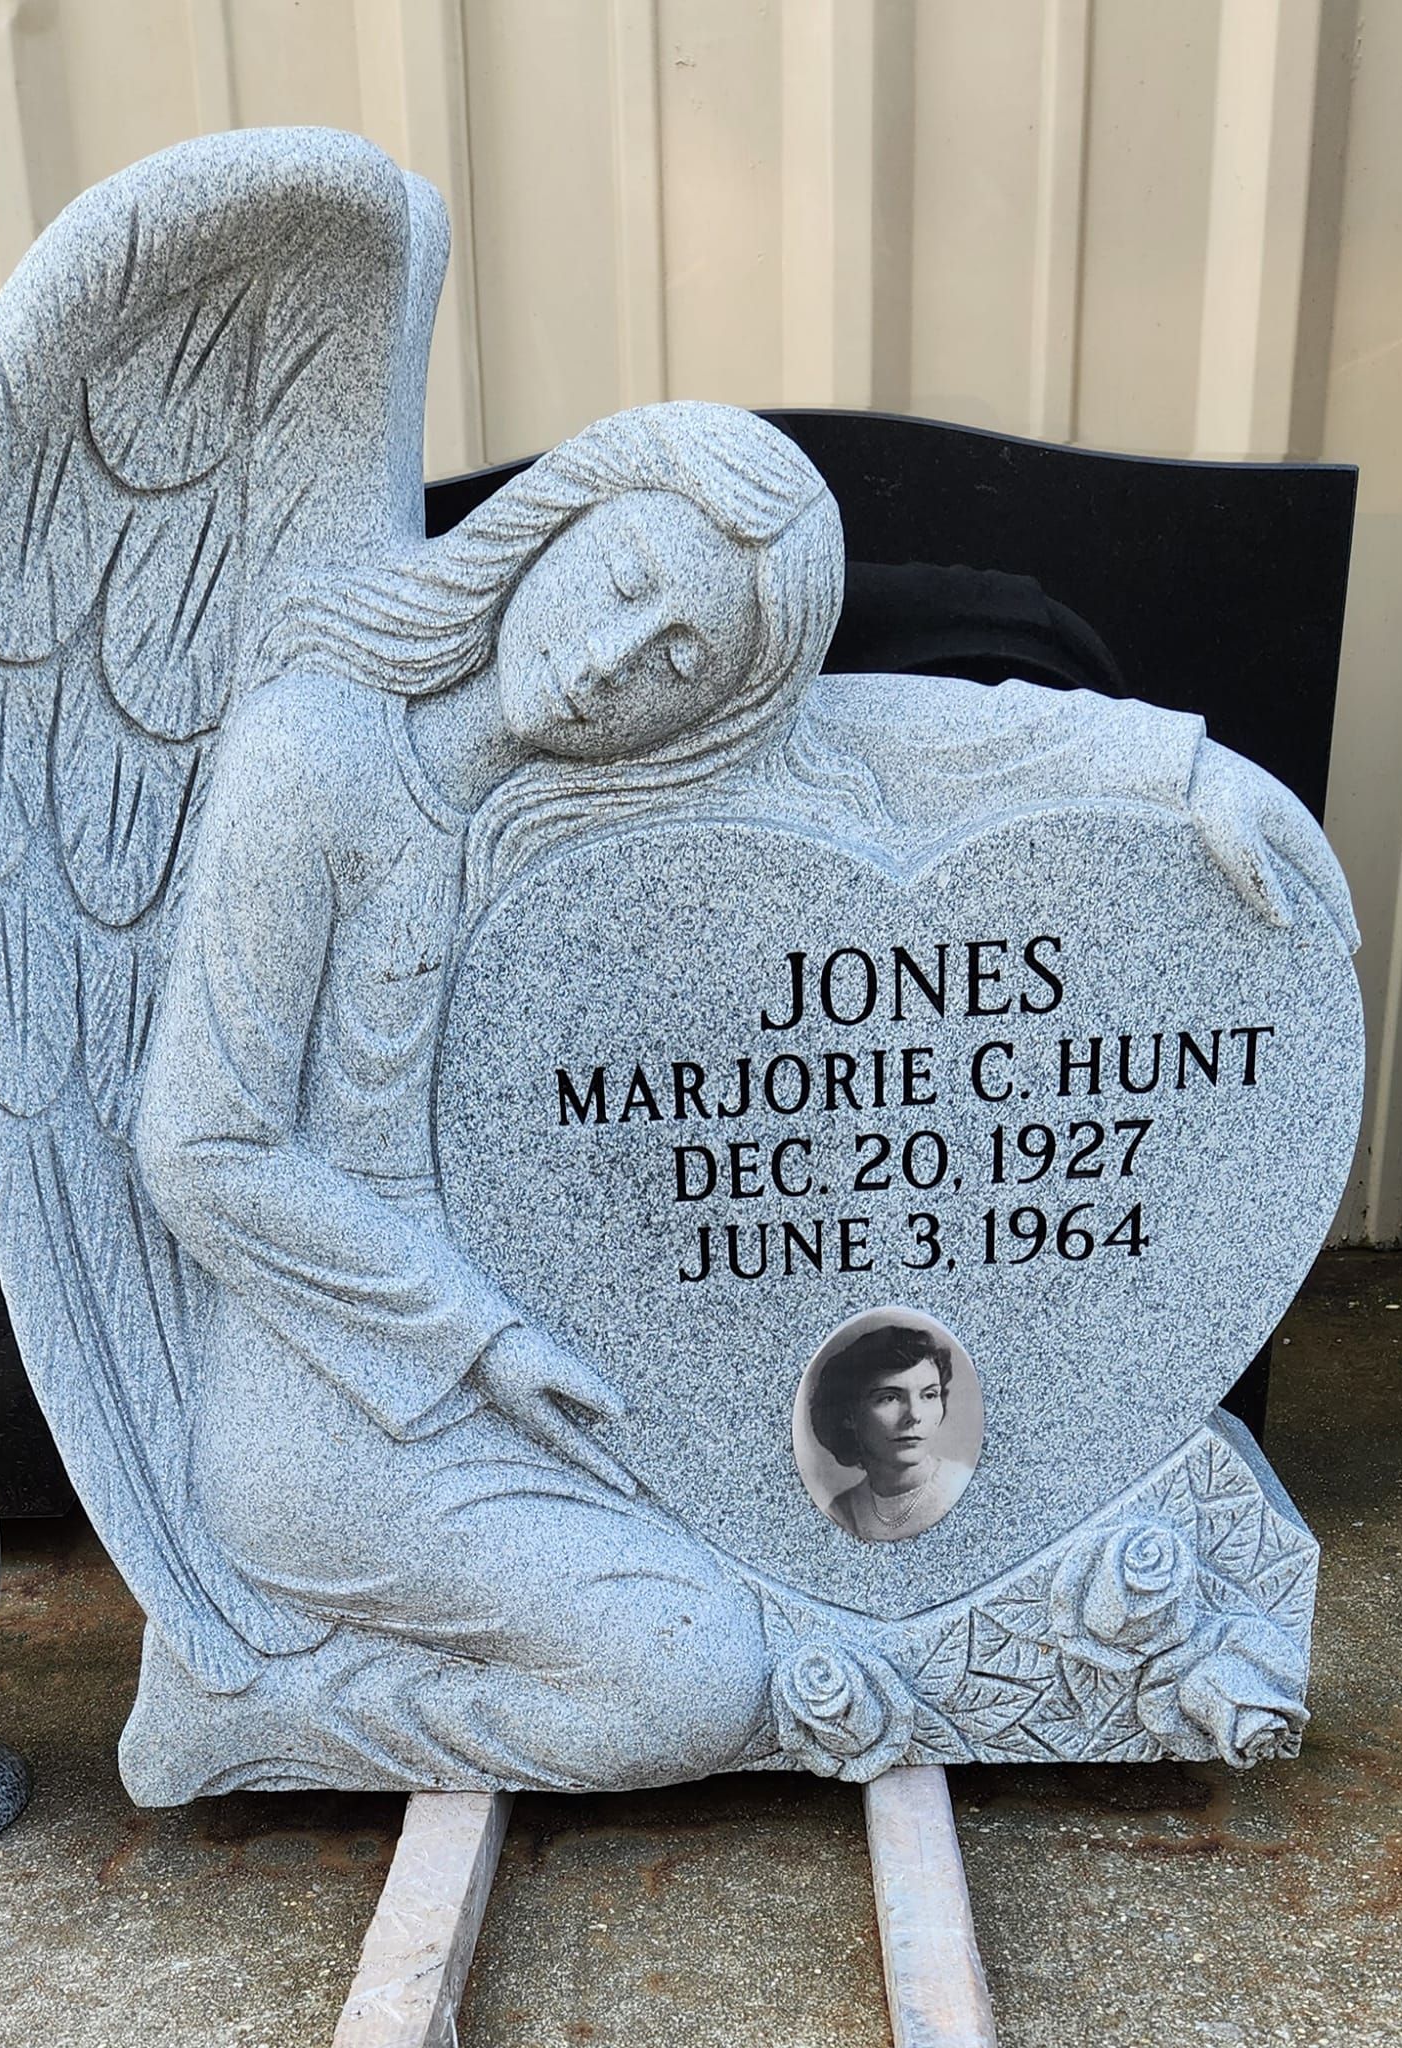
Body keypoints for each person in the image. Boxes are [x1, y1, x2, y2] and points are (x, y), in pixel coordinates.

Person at [134, 402, 844, 1787]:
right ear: (553, 522)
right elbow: (202, 1146)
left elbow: (870, 753)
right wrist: (475, 1336)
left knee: (809, 1536)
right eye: (625, 581)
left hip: (524, 1352)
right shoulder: (314, 757)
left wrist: (1181, 779)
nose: (604, 664)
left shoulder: (554, 819)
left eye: (679, 661)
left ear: (708, 716)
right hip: (340, 1400)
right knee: (696, 1679)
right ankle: (259, 1709)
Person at [810, 1324, 975, 1544]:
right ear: (848, 1415)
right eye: (890, 1398)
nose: (914, 1415)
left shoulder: (961, 1487)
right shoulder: (842, 1511)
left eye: (929, 1395)